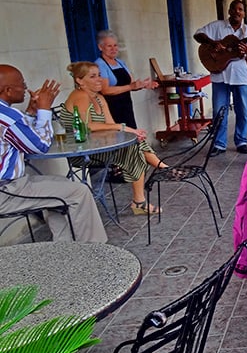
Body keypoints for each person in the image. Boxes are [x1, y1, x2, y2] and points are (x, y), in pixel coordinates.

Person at [0, 64, 107, 242]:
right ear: (8, 90)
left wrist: (33, 112)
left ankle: (63, 249)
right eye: (22, 84)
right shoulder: (7, 117)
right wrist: (44, 110)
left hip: (12, 185)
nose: (26, 88)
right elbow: (40, 145)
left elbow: (21, 134)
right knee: (78, 192)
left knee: (61, 186)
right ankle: (94, 253)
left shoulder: (7, 115)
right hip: (7, 191)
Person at [61, 62, 166, 215]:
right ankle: (161, 171)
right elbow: (86, 126)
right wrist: (125, 128)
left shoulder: (99, 98)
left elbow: (111, 124)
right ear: (79, 80)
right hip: (81, 151)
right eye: (93, 76)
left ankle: (152, 182)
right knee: (132, 150)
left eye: (99, 75)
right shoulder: (80, 96)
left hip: (100, 146)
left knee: (135, 144)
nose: (99, 79)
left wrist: (132, 133)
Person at [193, 0, 247, 156]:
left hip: (241, 76)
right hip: (220, 75)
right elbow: (197, 34)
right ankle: (219, 144)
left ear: (244, 13)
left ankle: (241, 141)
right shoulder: (216, 26)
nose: (237, 12)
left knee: (243, 110)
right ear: (229, 11)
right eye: (234, 9)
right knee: (219, 111)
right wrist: (213, 43)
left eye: (240, 9)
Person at [95, 30, 159, 129]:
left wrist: (143, 85)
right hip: (111, 107)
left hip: (126, 105)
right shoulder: (100, 64)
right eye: (109, 46)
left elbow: (131, 85)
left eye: (115, 45)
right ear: (100, 47)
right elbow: (105, 90)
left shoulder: (120, 62)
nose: (113, 49)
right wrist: (131, 86)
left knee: (131, 132)